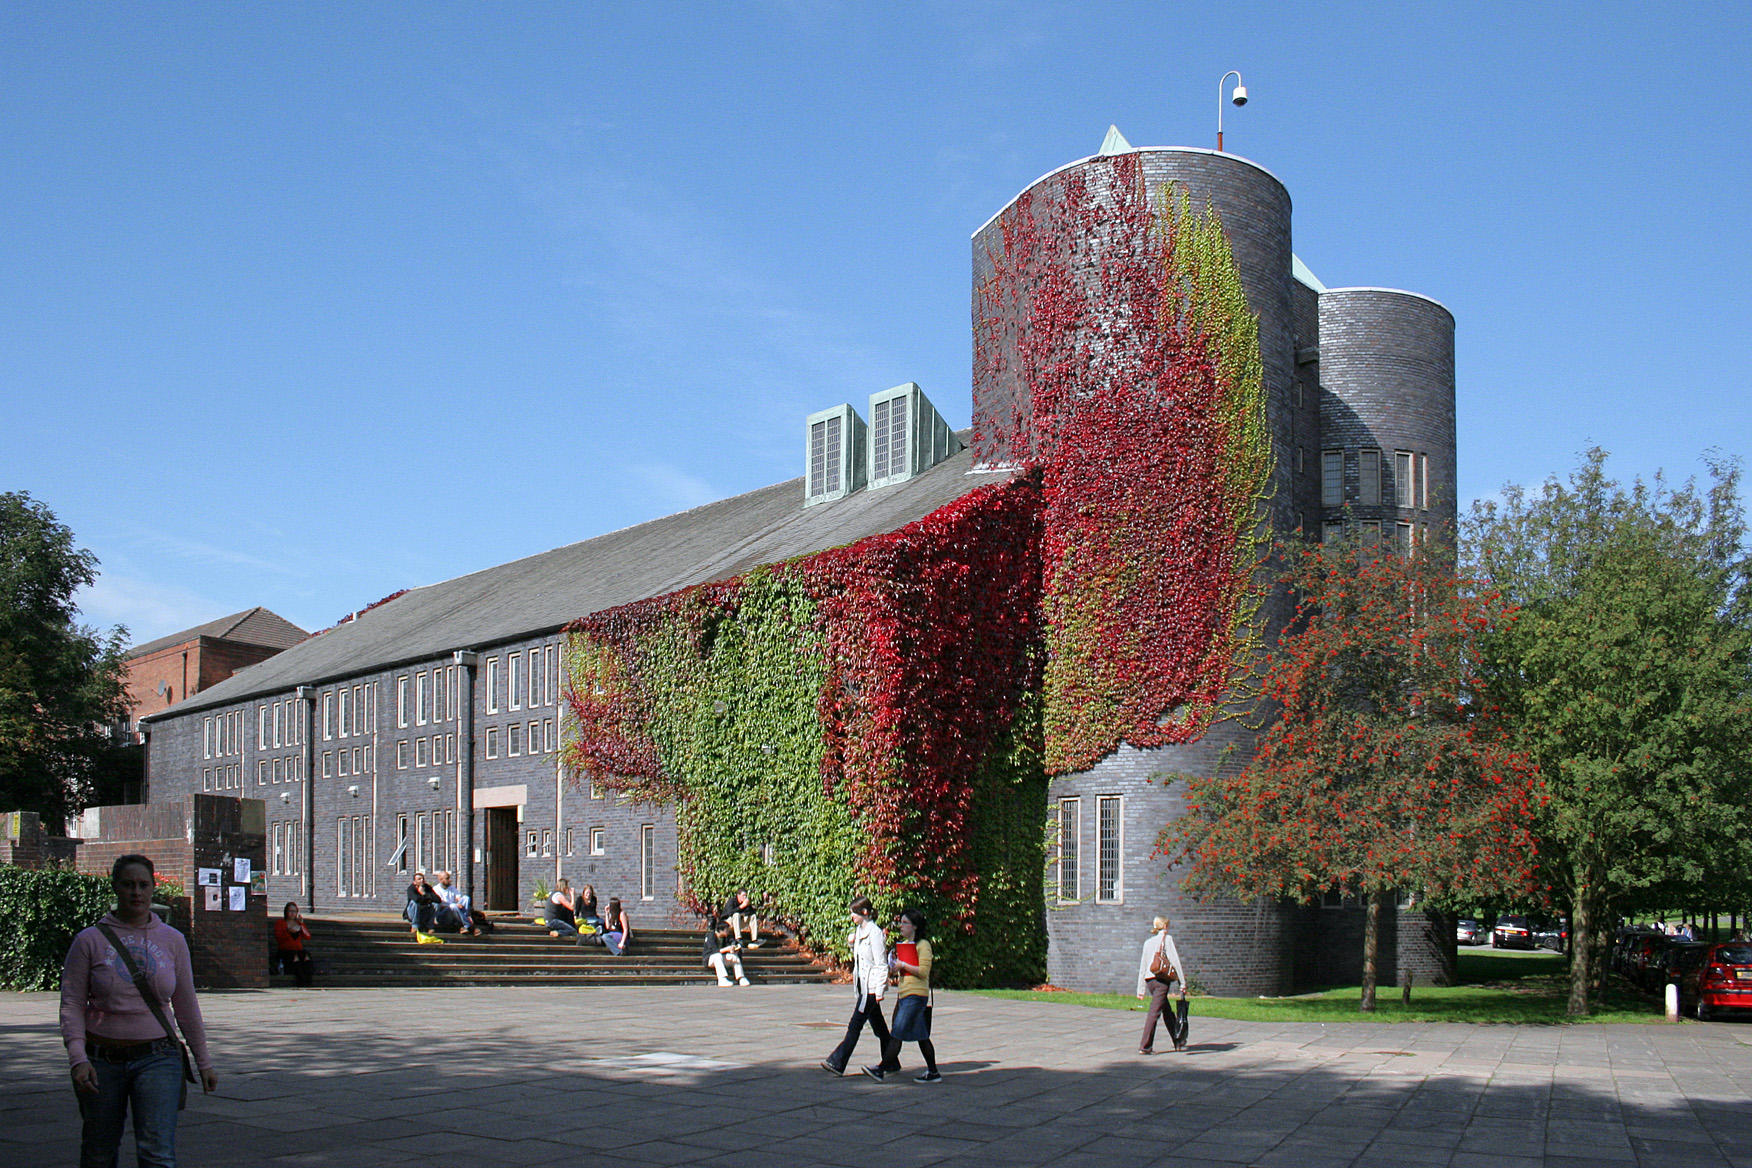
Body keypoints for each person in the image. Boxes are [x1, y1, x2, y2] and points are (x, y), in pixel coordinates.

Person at [60, 853, 219, 1167]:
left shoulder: (172, 941)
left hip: (158, 1057)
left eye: (143, 885)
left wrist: (204, 1062)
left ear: (152, 889)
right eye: (128, 884)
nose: (136, 892)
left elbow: (186, 1005)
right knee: (99, 1152)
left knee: (157, 1153)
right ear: (115, 888)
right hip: (100, 1060)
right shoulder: (88, 941)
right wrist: (78, 1058)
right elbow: (73, 1004)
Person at [862, 907, 940, 1083]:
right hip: (904, 994)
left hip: (916, 995)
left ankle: (881, 1068)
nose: (901, 926)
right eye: (901, 922)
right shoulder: (904, 946)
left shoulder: (923, 945)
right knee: (922, 1036)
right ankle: (933, 1072)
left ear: (915, 927)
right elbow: (899, 969)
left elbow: (923, 971)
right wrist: (894, 964)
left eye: (905, 923)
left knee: (897, 1032)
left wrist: (903, 965)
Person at [820, 896, 891, 1076]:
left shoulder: (874, 933)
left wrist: (880, 989)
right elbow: (861, 959)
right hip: (862, 986)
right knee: (880, 1028)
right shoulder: (860, 931)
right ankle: (892, 1060)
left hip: (870, 989)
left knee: (855, 1025)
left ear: (865, 913)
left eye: (854, 913)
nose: (852, 916)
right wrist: (852, 944)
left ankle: (838, 1061)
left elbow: (881, 964)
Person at [1136, 915, 1190, 1054]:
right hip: (1161, 980)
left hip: (1150, 981)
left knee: (1166, 1011)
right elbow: (1175, 961)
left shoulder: (1148, 942)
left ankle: (1178, 1041)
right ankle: (1145, 1046)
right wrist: (1182, 983)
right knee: (1154, 1013)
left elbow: (1143, 965)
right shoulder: (1167, 939)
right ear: (1165, 926)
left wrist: (1140, 989)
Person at [273, 901, 315, 987]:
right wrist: (289, 931)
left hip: (298, 949)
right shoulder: (281, 923)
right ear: (286, 912)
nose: (292, 914)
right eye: (290, 911)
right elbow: (279, 937)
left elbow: (307, 936)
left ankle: (308, 980)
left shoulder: (298, 923)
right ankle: (301, 981)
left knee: (306, 956)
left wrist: (301, 924)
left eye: (294, 911)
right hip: (285, 950)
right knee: (295, 957)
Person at [702, 918, 751, 986]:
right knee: (717, 956)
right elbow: (713, 950)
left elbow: (731, 943)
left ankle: (741, 977)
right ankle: (722, 979)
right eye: (726, 930)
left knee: (734, 957)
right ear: (721, 930)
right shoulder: (710, 936)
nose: (728, 931)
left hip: (722, 958)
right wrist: (727, 949)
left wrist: (734, 948)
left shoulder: (727, 937)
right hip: (709, 959)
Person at [434, 871, 481, 936]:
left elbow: (458, 897)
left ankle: (467, 917)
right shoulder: (436, 889)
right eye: (447, 878)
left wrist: (460, 901)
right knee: (453, 906)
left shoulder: (452, 888)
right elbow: (441, 904)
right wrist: (455, 905)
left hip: (455, 910)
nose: (449, 880)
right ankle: (468, 925)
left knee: (466, 898)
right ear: (441, 880)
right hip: (444, 914)